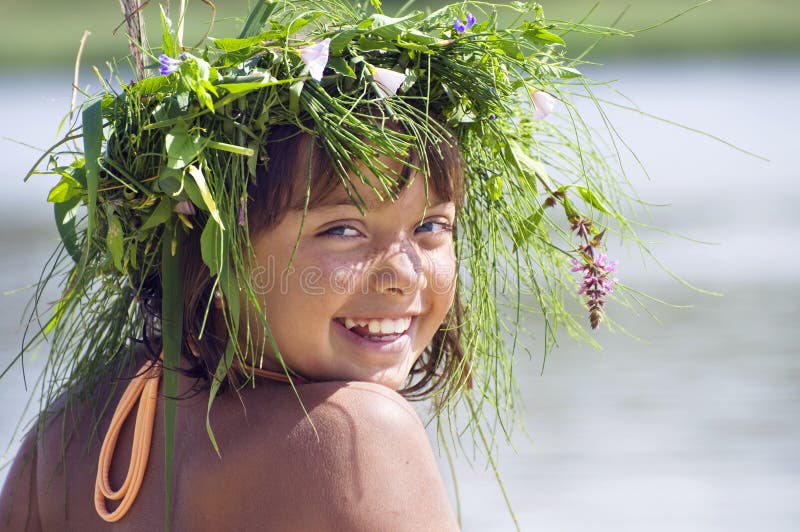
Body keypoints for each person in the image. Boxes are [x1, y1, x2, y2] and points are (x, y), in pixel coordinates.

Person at [0, 0, 632, 529]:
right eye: (343, 229)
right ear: (216, 260)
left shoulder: (75, 429)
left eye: (432, 225)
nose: (403, 275)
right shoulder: (358, 435)